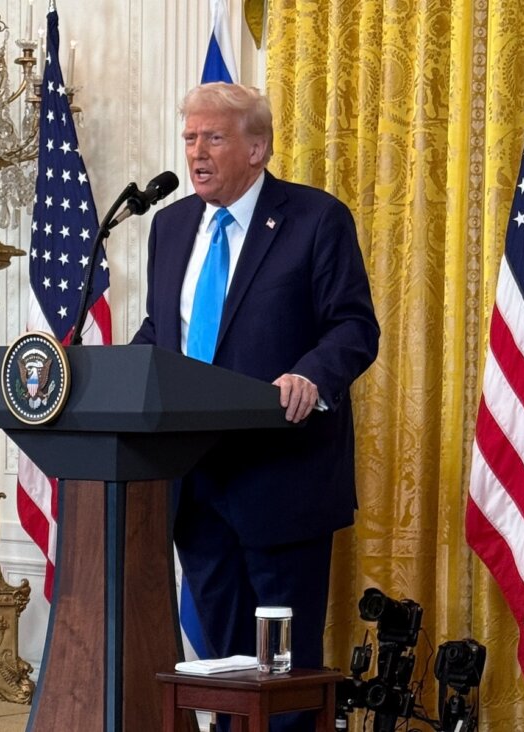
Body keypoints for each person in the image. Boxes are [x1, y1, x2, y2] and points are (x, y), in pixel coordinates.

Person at [132, 83, 379, 731]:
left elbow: (354, 327)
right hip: (195, 479)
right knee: (224, 665)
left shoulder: (316, 220)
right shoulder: (171, 224)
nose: (197, 152)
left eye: (213, 137)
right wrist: (113, 375)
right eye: (189, 137)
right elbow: (164, 336)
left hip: (282, 478)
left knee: (284, 675)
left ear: (257, 147)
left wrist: (310, 375)